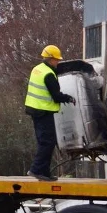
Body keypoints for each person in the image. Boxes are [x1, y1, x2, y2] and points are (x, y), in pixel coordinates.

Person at [24, 45, 75, 182]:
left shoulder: (37, 69)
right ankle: (35, 170)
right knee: (48, 142)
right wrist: (69, 98)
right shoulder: (49, 74)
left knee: (45, 141)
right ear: (50, 59)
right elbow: (56, 96)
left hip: (35, 109)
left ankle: (44, 173)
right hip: (43, 111)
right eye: (56, 60)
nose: (57, 62)